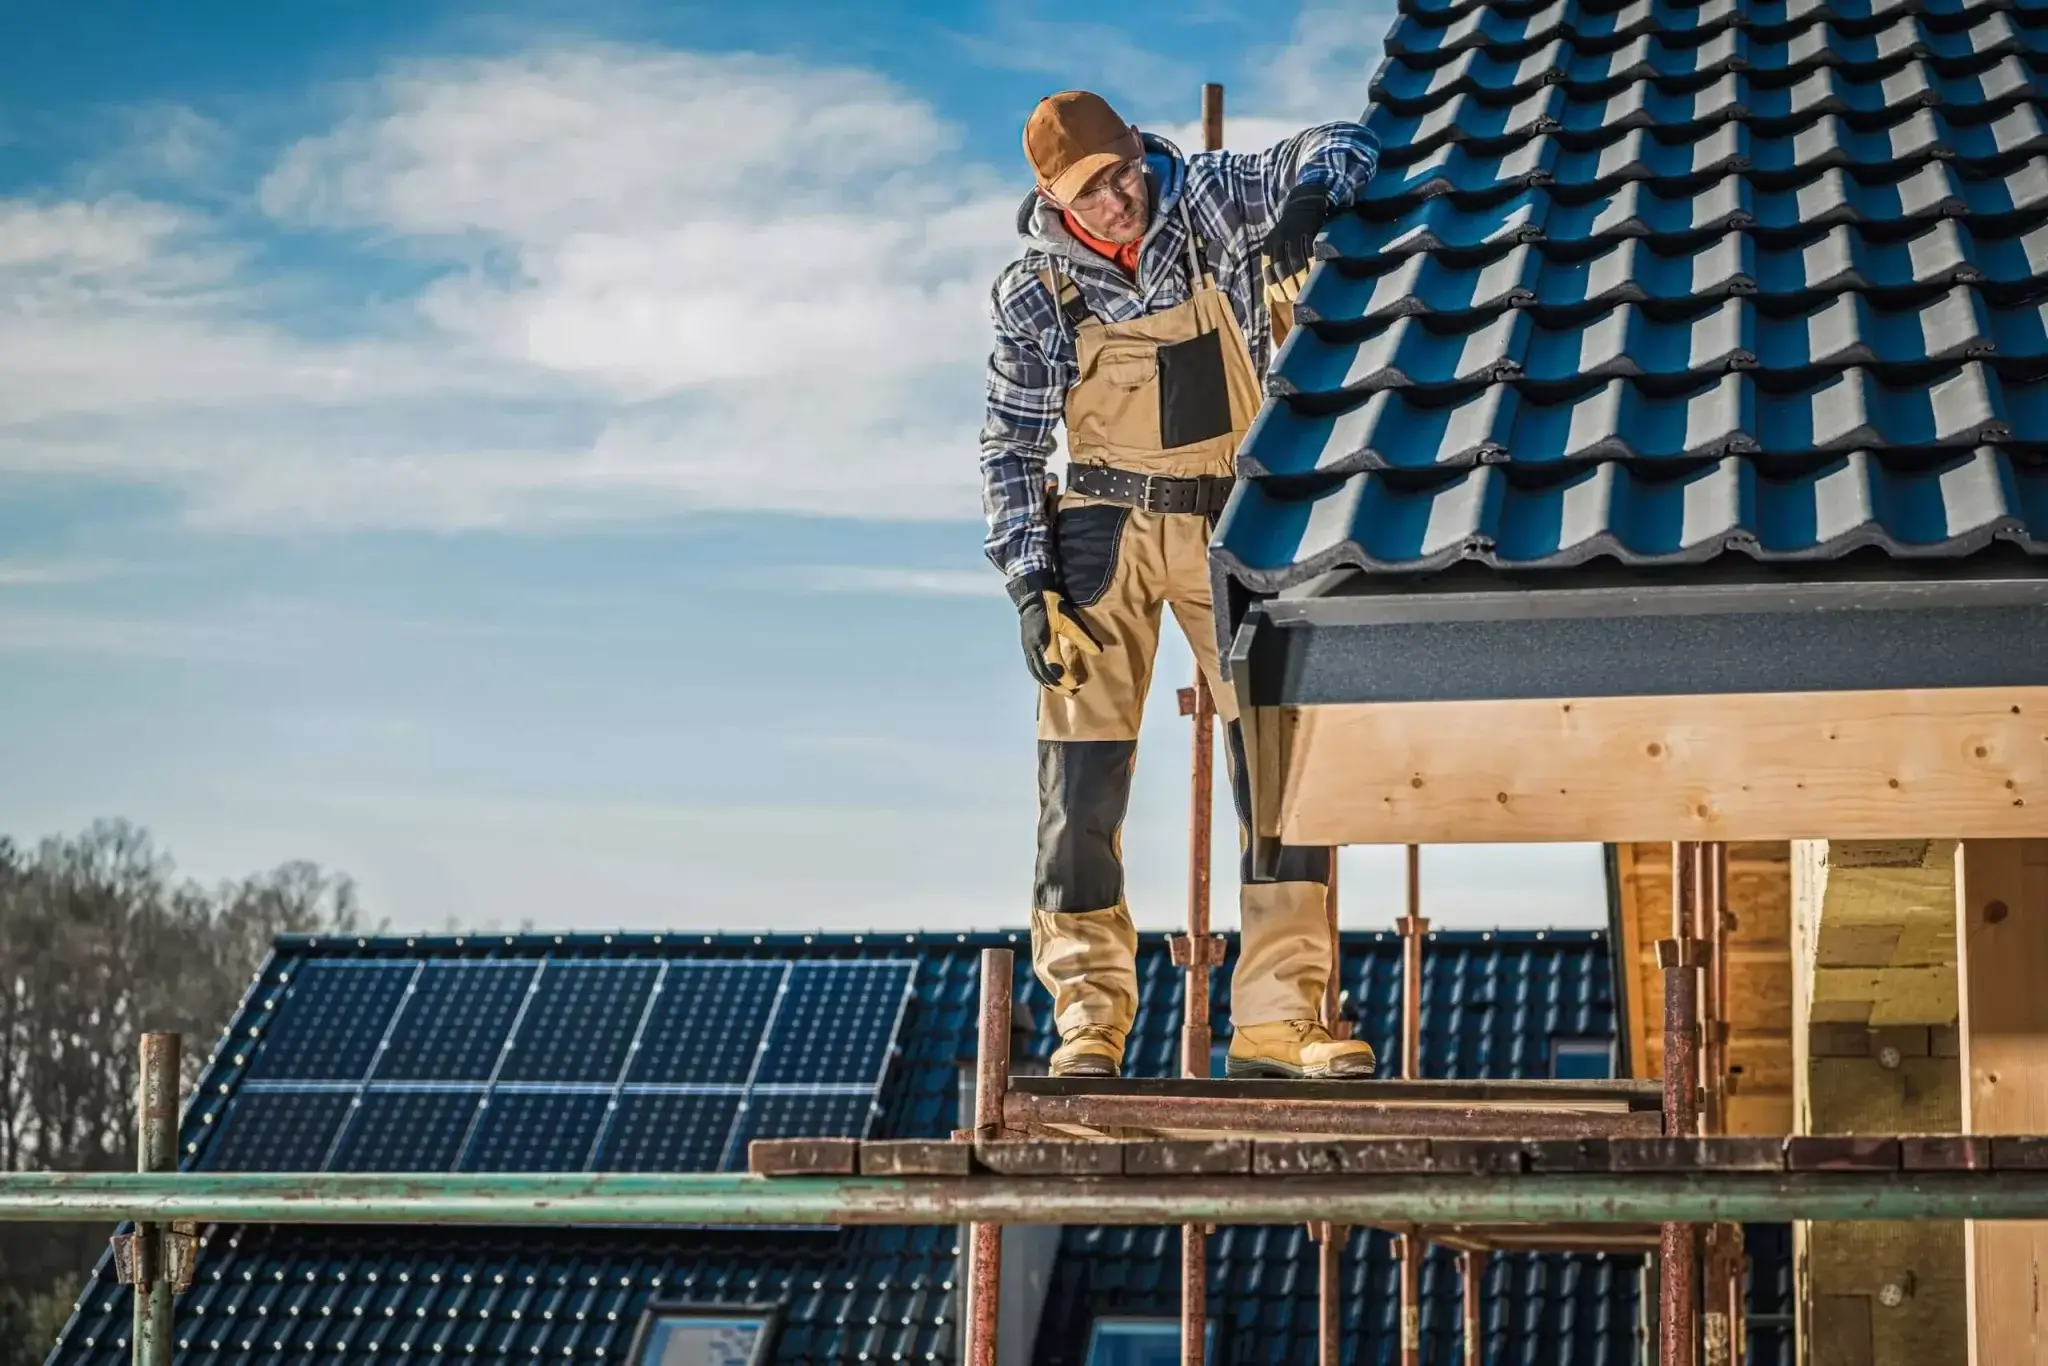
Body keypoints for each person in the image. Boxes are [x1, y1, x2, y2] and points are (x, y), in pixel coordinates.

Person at [980, 90, 1382, 1080]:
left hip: (1226, 517)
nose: (1123, 200)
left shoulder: (1204, 198)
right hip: (1098, 534)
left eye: (1125, 174)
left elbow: (1344, 144)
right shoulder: (1032, 293)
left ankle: (1277, 1018)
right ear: (1052, 198)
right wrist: (1029, 585)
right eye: (1094, 192)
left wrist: (1302, 207)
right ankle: (1088, 1017)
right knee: (1079, 781)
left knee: (1281, 766)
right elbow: (1010, 444)